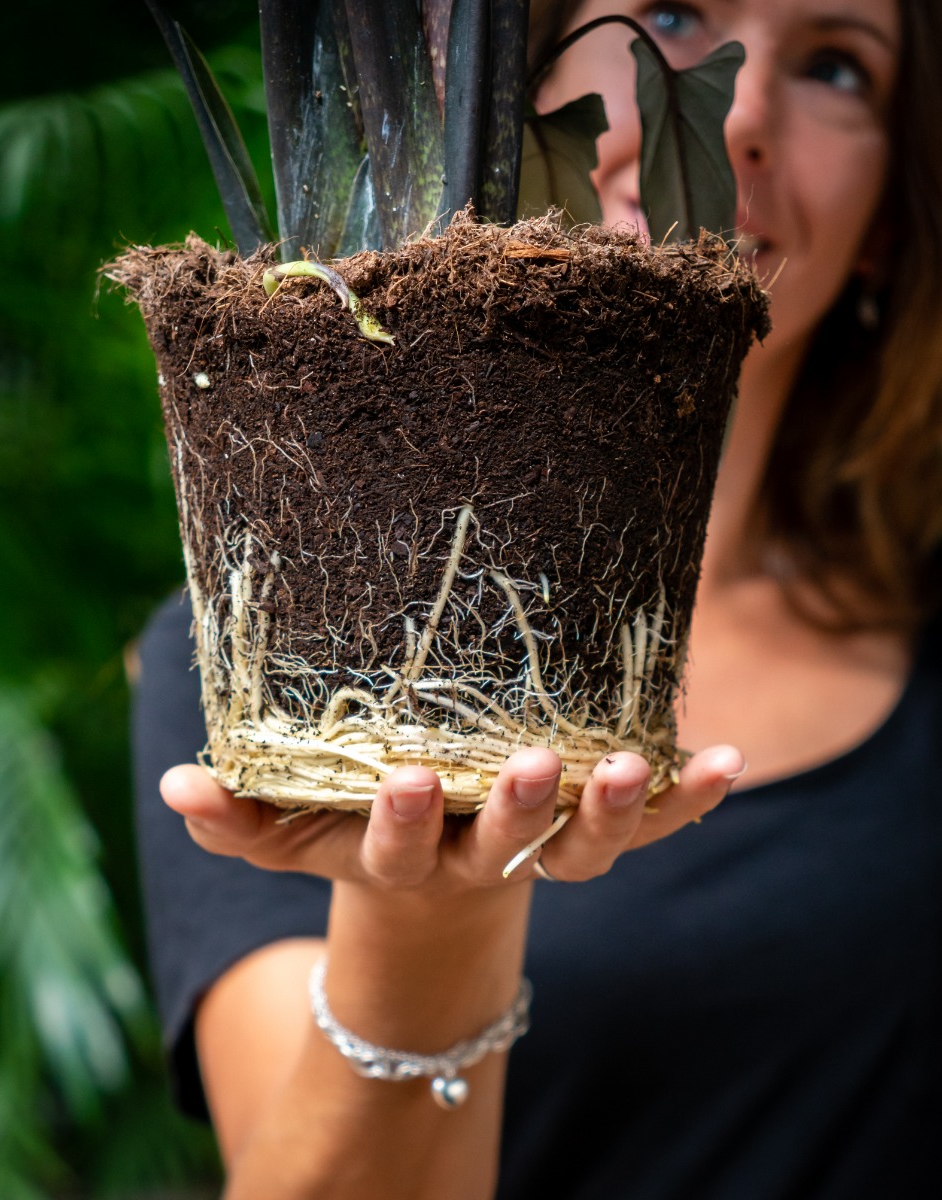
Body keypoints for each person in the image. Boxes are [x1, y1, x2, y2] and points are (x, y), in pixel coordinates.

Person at [132, 1, 942, 1196]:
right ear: (505, 101)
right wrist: (426, 909)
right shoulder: (278, 651)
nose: (747, 113)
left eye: (835, 66)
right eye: (669, 10)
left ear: (888, 223)